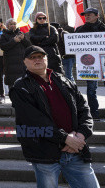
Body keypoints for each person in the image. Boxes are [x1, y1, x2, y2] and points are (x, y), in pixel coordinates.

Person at [9, 46, 100, 188]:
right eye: (32, 57)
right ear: (25, 62)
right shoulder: (20, 87)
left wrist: (81, 135)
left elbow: (84, 109)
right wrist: (65, 138)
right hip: (45, 153)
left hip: (76, 151)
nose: (37, 60)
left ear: (47, 58)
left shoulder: (64, 80)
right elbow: (33, 120)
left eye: (40, 56)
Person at [75, 8, 105, 120]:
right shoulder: (80, 30)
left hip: (104, 62)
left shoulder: (103, 28)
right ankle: (94, 114)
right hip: (89, 64)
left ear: (97, 15)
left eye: (89, 15)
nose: (87, 17)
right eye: (85, 15)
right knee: (91, 90)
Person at [0, 19, 31, 92]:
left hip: (22, 63)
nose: (13, 25)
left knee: (23, 86)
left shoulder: (21, 34)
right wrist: (13, 41)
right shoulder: (4, 35)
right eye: (11, 24)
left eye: (14, 24)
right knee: (13, 86)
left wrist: (23, 39)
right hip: (10, 64)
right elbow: (3, 47)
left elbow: (29, 46)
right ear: (7, 26)